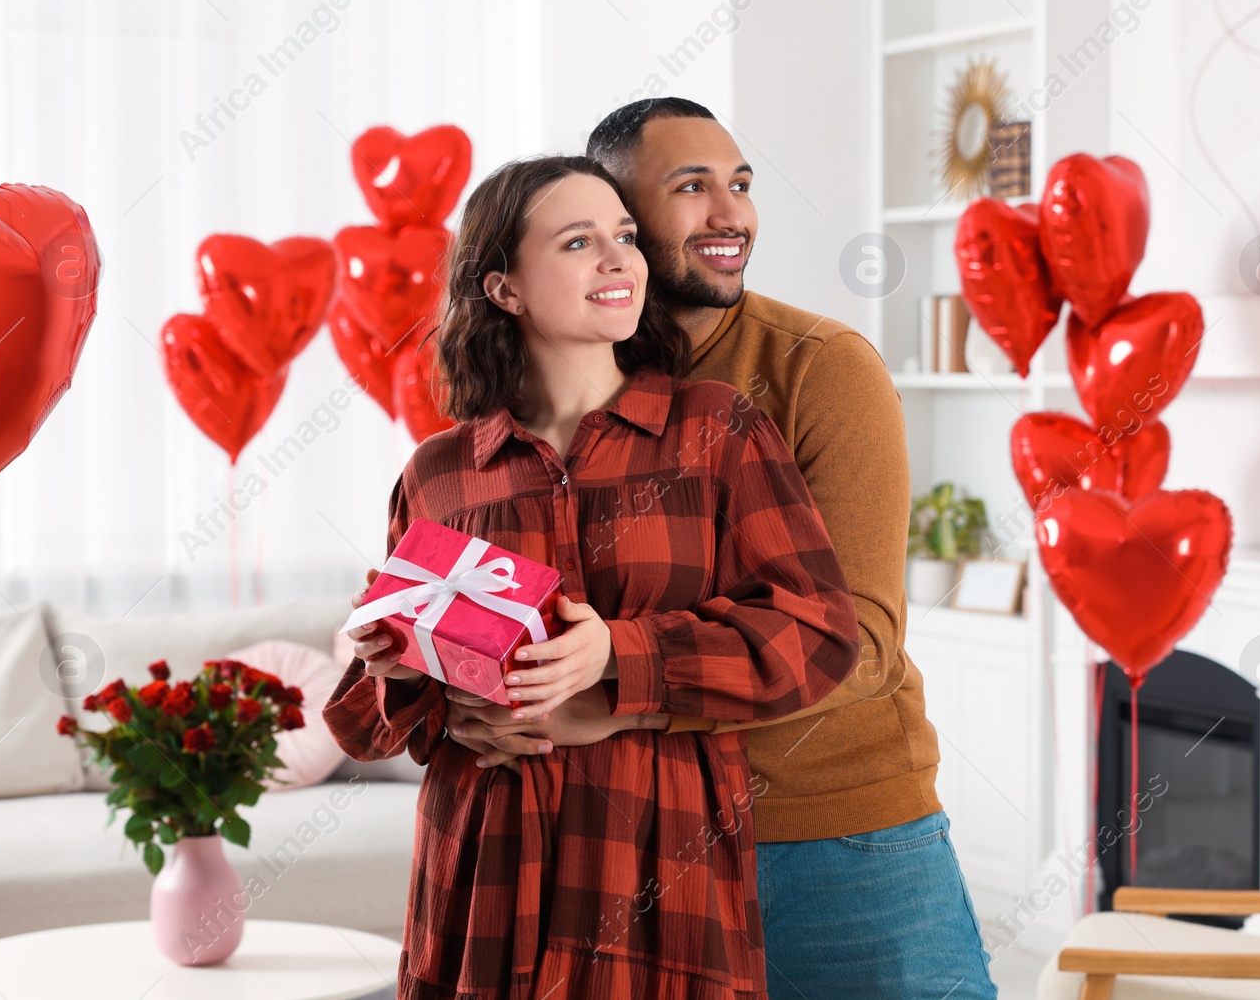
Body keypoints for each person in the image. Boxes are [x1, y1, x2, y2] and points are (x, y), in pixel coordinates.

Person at [438, 99, 1000, 999]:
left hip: (830, 838)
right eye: (691, 188)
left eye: (739, 185)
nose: (731, 214)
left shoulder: (819, 367)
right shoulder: (545, 397)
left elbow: (860, 639)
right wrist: (464, 710)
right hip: (642, 840)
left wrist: (625, 696)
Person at [322, 153, 862, 999]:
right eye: (579, 242)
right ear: (502, 288)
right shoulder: (442, 472)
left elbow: (821, 635)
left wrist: (619, 653)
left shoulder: (716, 431)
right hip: (483, 880)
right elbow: (370, 722)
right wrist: (405, 675)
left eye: (624, 236)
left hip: (660, 876)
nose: (620, 260)